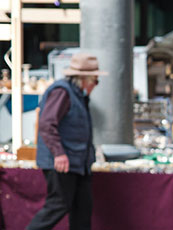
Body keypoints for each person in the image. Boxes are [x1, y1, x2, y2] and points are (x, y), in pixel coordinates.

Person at [28, 53, 104, 230]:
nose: (96, 86)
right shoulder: (62, 92)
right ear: (86, 79)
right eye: (96, 81)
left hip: (78, 162)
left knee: (82, 208)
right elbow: (47, 124)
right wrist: (59, 153)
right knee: (58, 205)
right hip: (63, 161)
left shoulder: (77, 95)